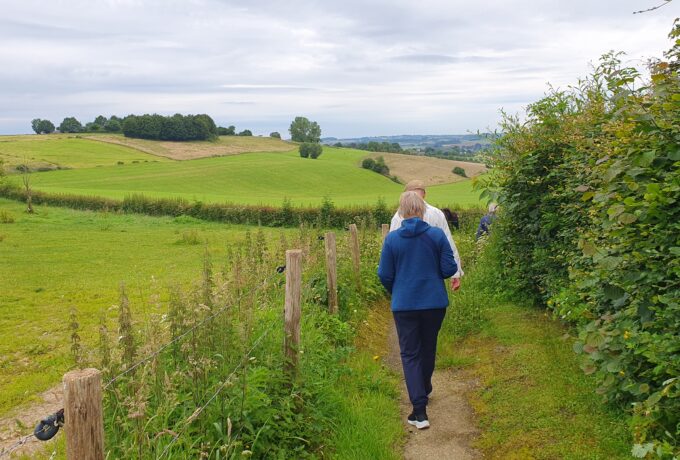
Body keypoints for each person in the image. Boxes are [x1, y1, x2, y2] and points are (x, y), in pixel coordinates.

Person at [378, 191, 458, 429]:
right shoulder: (436, 236)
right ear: (422, 210)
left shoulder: (392, 240)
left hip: (404, 305)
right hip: (434, 303)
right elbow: (448, 269)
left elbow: (384, 274)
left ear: (401, 212)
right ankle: (425, 387)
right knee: (428, 347)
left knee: (410, 353)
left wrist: (398, 288)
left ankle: (419, 411)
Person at [390, 180, 463, 289]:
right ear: (424, 194)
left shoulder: (398, 216)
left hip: (406, 275)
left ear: (405, 196)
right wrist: (455, 273)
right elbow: (448, 243)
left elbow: (392, 248)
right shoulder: (437, 213)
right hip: (433, 275)